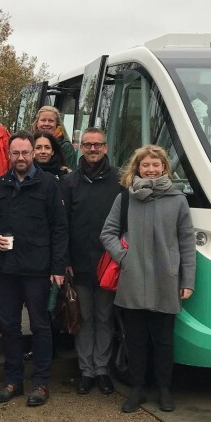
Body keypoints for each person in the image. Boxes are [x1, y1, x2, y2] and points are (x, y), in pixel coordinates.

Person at [100, 145, 195, 413]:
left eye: (156, 165)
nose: (151, 170)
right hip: (134, 279)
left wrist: (187, 280)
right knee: (135, 339)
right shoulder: (126, 199)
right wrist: (124, 257)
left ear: (165, 167)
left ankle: (165, 389)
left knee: (164, 340)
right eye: (146, 166)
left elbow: (187, 242)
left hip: (166, 278)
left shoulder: (178, 200)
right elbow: (107, 233)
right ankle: (137, 389)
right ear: (137, 168)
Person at [0, 131, 68, 407]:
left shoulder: (48, 185)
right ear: (9, 154)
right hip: (5, 270)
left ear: (33, 153)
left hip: (37, 269)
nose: (20, 157)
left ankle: (41, 383)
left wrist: (57, 267)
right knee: (9, 326)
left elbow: (59, 228)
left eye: (25, 153)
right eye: (15, 153)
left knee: (41, 326)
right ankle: (13, 380)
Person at [61, 127, 121, 396]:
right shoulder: (70, 182)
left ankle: (103, 370)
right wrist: (65, 260)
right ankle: (86, 371)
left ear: (106, 147)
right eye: (87, 145)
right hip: (80, 263)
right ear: (80, 148)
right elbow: (63, 225)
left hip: (109, 263)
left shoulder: (120, 180)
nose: (93, 149)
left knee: (104, 318)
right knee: (83, 318)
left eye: (98, 145)